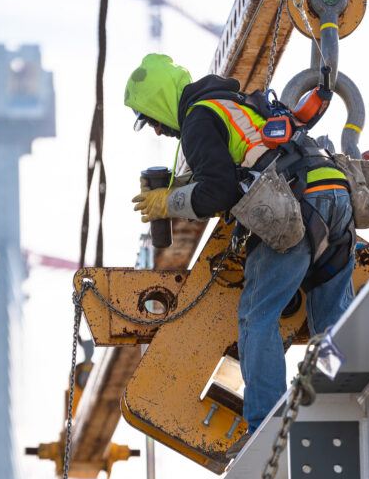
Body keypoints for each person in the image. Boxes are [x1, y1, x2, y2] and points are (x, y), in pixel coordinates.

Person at [124, 52, 356, 455]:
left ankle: (266, 426)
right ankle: (345, 401)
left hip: (297, 205)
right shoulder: (232, 103)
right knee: (331, 319)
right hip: (335, 193)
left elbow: (219, 191)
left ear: (160, 102)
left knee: (257, 315)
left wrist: (167, 203)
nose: (159, 130)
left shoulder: (198, 118)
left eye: (153, 119)